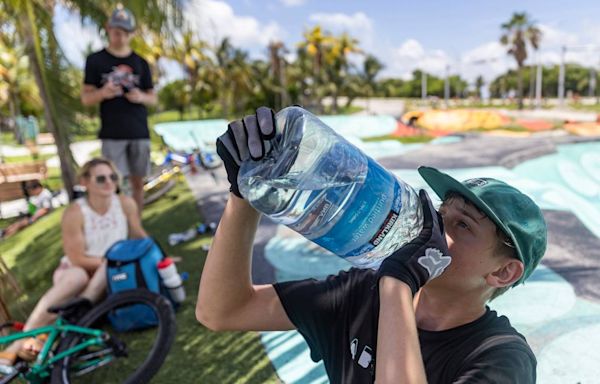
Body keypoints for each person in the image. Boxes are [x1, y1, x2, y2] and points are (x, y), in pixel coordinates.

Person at [196, 107, 547, 383]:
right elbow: (221, 310)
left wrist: (397, 284)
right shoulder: (360, 295)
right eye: (441, 212)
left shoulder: (502, 358)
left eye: (463, 225)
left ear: (502, 272)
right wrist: (243, 195)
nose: (436, 225)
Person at [0, 158, 148, 366]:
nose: (108, 182)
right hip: (76, 271)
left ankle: (41, 336)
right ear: (85, 182)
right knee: (78, 276)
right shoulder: (75, 212)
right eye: (101, 178)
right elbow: (77, 258)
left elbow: (139, 236)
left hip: (109, 275)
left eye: (113, 177)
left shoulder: (125, 204)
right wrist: (112, 264)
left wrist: (158, 256)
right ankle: (22, 341)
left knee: (109, 264)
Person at [81, 5, 157, 214]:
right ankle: (119, 221)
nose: (120, 36)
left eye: (125, 32)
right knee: (113, 184)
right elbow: (86, 97)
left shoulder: (141, 62)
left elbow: (153, 97)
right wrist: (102, 93)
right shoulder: (95, 60)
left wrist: (141, 96)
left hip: (139, 131)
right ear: (108, 28)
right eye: (116, 31)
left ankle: (136, 223)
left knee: (138, 184)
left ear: (132, 33)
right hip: (112, 134)